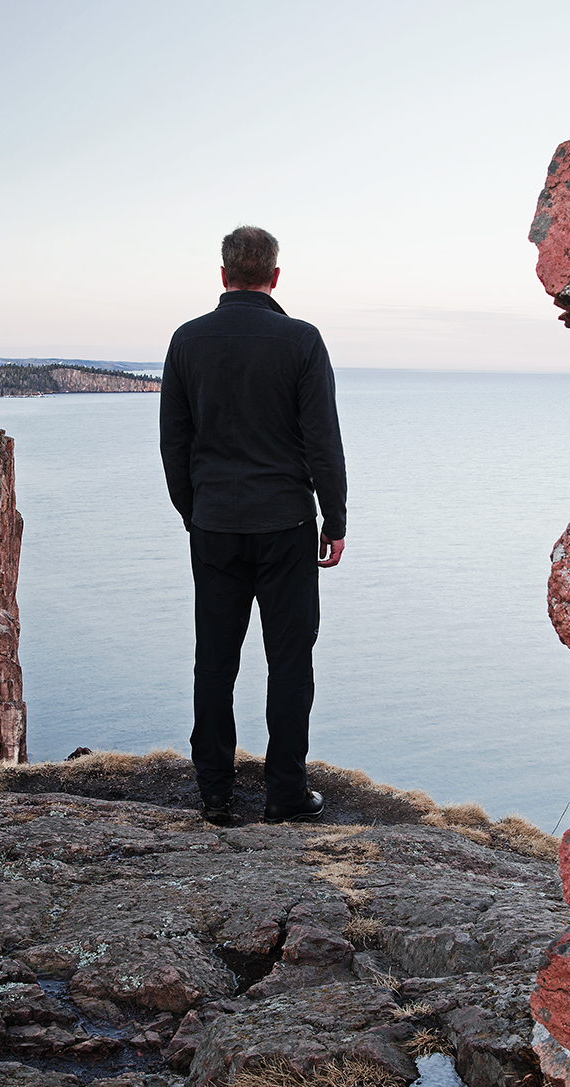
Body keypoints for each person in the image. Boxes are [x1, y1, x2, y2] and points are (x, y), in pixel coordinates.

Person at [159, 225, 347, 825]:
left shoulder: (187, 341)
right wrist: (335, 518)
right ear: (274, 276)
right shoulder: (301, 341)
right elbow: (322, 441)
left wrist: (196, 511)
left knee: (214, 660)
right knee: (289, 661)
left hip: (215, 523)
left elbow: (174, 443)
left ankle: (214, 791)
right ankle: (285, 793)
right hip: (286, 523)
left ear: (222, 275)